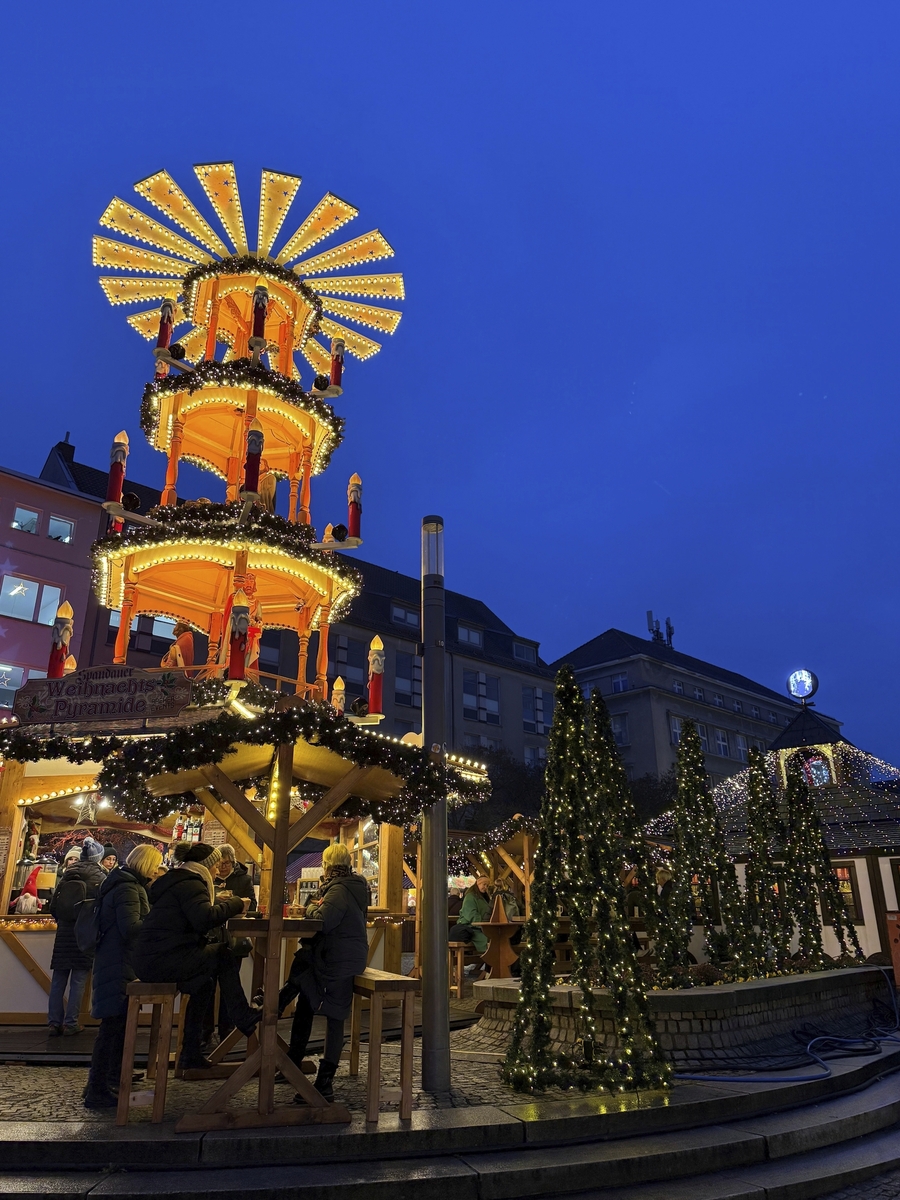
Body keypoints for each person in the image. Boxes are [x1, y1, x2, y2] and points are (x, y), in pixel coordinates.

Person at [134, 843, 261, 1069]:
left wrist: (218, 903)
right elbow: (204, 919)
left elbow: (194, 915)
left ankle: (190, 1052)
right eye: (215, 866)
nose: (217, 871)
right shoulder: (192, 884)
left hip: (155, 957)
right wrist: (235, 903)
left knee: (204, 982)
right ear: (206, 865)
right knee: (223, 953)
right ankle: (241, 1015)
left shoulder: (180, 881)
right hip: (163, 959)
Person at [277, 842, 368, 1103]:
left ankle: (323, 1082)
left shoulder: (338, 890)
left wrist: (309, 908)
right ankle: (298, 1062)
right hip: (342, 956)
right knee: (305, 976)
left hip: (339, 960)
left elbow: (322, 920)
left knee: (330, 1009)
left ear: (328, 865)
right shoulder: (352, 886)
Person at [83, 845, 163, 1109]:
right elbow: (131, 928)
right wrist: (158, 922)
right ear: (145, 864)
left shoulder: (125, 883)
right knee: (112, 1026)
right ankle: (97, 1088)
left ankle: (112, 1078)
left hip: (117, 960)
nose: (157, 870)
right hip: (118, 962)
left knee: (118, 1023)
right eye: (155, 864)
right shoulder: (129, 888)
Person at [47, 837, 107, 1036]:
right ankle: (71, 1023)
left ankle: (53, 1023)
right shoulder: (100, 876)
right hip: (85, 933)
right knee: (79, 980)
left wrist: (64, 922)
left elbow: (53, 906)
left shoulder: (67, 874)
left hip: (64, 932)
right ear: (98, 857)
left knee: (58, 980)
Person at [201, 845, 257, 1049]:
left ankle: (227, 1029)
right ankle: (204, 1032)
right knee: (206, 986)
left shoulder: (243, 879)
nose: (223, 867)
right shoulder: (207, 877)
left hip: (233, 940)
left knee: (229, 987)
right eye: (219, 863)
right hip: (209, 939)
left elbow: (253, 906)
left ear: (233, 863)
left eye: (226, 863)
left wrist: (236, 904)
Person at [449, 875, 492, 954]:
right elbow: (471, 915)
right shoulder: (470, 897)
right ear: (478, 884)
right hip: (471, 928)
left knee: (495, 939)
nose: (485, 887)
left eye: (487, 885)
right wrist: (483, 925)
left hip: (480, 927)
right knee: (489, 941)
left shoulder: (485, 898)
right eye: (484, 884)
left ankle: (491, 964)